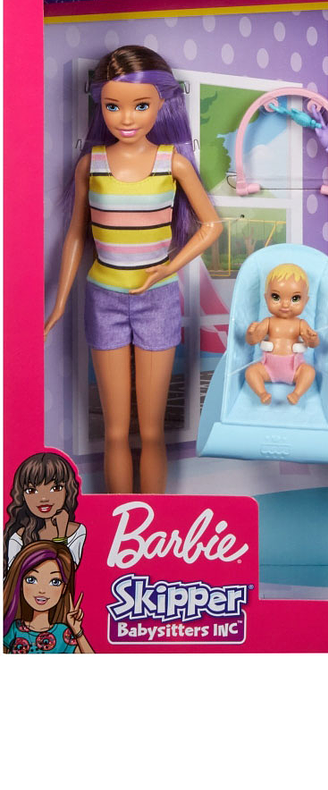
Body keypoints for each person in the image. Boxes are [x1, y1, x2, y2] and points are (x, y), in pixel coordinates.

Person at [44, 47, 222, 494]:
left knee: (153, 431)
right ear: (99, 105)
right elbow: (76, 236)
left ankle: (152, 521)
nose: (126, 118)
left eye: (140, 106)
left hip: (156, 299)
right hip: (102, 297)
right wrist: (59, 303)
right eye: (112, 106)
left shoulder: (172, 163)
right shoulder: (92, 164)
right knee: (115, 430)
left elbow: (212, 226)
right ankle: (117, 522)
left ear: (163, 103)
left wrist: (166, 269)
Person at [245, 264, 320, 405]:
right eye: (276, 297)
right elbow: (253, 341)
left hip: (295, 369)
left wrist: (313, 339)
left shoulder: (300, 324)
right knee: (251, 372)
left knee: (309, 372)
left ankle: (296, 394)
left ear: (306, 301)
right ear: (266, 298)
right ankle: (262, 393)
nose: (285, 304)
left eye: (295, 298)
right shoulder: (268, 322)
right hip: (268, 368)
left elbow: (313, 344)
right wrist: (251, 334)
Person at [3, 541, 93, 654]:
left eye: (55, 582)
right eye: (31, 580)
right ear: (20, 584)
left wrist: (77, 631)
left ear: (64, 588)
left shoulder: (64, 633)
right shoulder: (13, 630)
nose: (42, 590)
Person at [4, 451, 85, 573]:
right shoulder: (18, 537)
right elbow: (14, 578)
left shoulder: (78, 532)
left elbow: (66, 574)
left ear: (68, 491)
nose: (43, 498)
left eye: (55, 488)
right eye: (31, 490)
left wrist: (61, 534)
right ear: (22, 496)